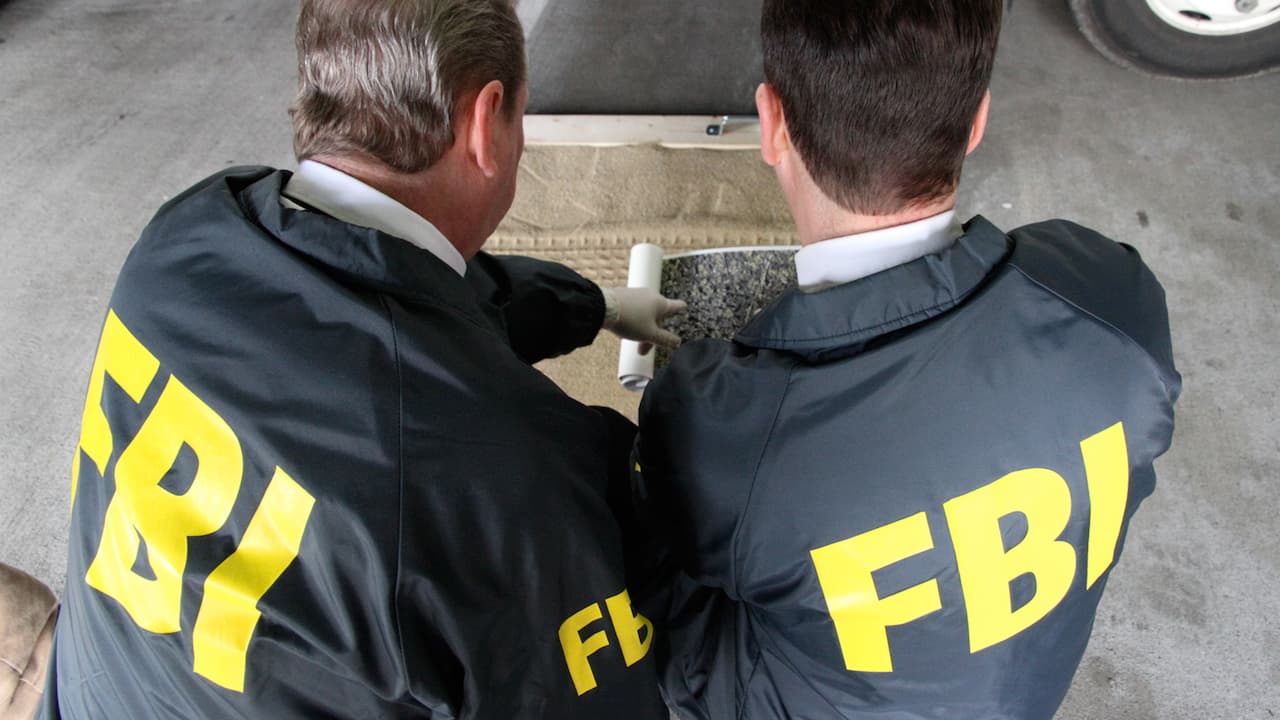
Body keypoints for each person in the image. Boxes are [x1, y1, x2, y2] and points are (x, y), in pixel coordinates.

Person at [41, 1, 681, 718]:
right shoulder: (500, 478)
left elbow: (413, 286)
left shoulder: (183, 237)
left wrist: (591, 306)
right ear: (485, 123)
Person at [634, 1, 1182, 718]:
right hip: (1025, 684)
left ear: (772, 125)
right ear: (977, 120)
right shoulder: (1108, 294)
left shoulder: (717, 426)